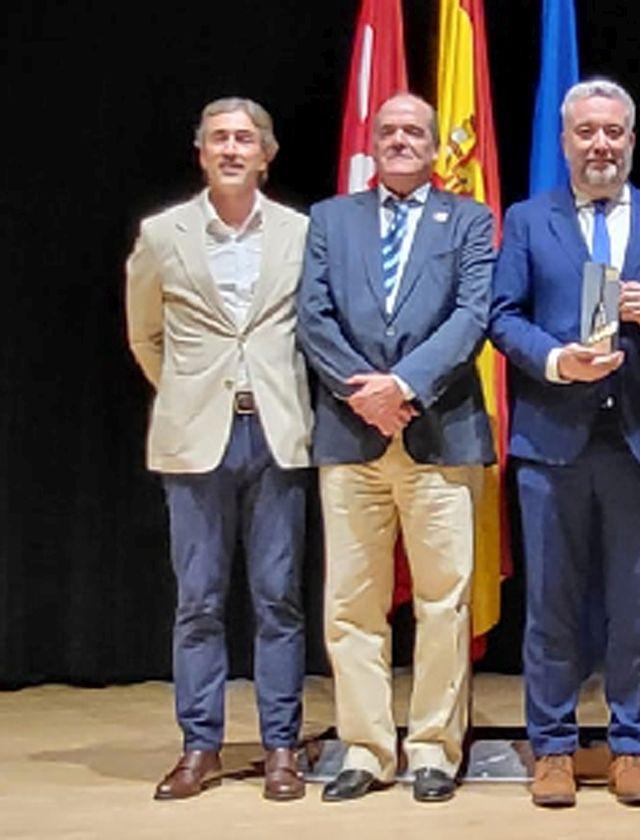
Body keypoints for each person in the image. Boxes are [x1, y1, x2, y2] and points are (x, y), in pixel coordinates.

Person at [489, 78, 640, 808]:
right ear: (565, 141)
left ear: (633, 140)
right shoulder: (528, 219)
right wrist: (556, 360)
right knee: (550, 601)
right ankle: (551, 746)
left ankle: (631, 745)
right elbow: (502, 316)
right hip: (552, 439)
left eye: (614, 131)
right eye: (586, 132)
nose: (601, 144)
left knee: (636, 604)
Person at [297, 92, 495, 804]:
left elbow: (474, 313)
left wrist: (404, 386)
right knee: (351, 603)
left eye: (415, 131)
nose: (401, 140)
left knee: (443, 601)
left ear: (436, 146)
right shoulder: (330, 218)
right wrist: (366, 394)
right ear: (371, 141)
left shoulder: (469, 220)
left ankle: (437, 749)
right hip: (351, 437)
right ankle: (367, 748)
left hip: (441, 433)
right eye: (389, 131)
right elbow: (311, 315)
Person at [126, 97, 311, 801]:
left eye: (245, 139)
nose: (232, 149)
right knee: (199, 601)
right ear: (200, 152)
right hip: (195, 435)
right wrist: (187, 391)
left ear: (266, 154)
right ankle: (199, 744)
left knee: (278, 599)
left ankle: (281, 747)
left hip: (277, 432)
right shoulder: (163, 233)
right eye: (218, 139)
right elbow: (146, 335)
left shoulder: (299, 232)